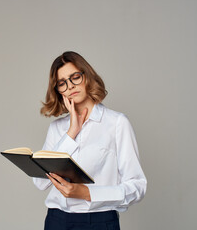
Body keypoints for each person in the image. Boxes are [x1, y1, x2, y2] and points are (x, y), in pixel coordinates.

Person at [33, 51, 147, 230]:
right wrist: (71, 133)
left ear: (87, 76)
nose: (70, 86)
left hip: (100, 221)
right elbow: (40, 183)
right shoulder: (57, 128)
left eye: (75, 77)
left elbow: (137, 186)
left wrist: (87, 193)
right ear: (58, 90)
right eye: (62, 83)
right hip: (57, 221)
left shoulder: (116, 123)